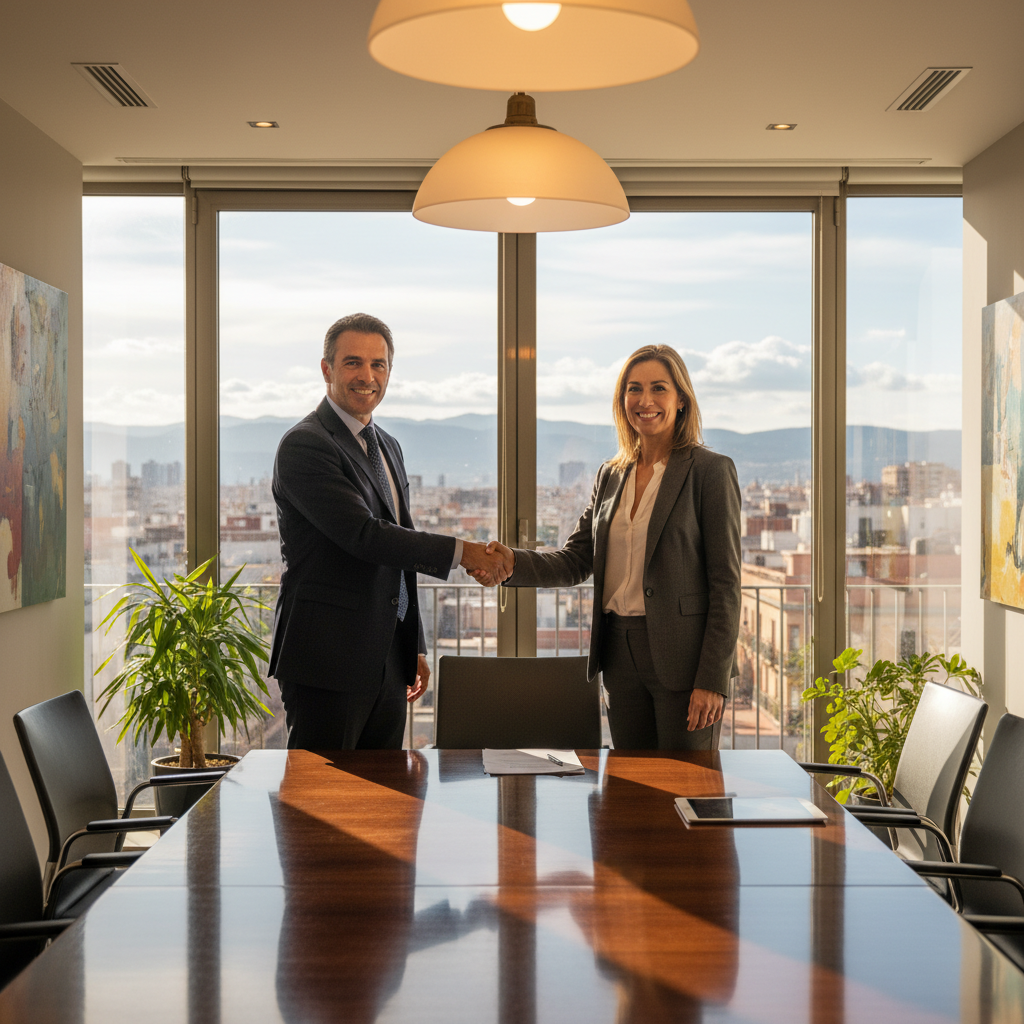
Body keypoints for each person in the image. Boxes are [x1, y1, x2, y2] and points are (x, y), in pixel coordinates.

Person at [478, 344, 741, 750]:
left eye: (659, 388)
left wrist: (713, 679)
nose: (645, 400)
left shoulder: (709, 471)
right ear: (622, 401)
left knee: (687, 789)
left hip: (685, 661)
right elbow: (577, 560)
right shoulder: (611, 474)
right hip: (619, 654)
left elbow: (726, 585)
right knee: (630, 790)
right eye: (634, 389)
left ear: (682, 400)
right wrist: (513, 562)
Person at [269, 312, 508, 750]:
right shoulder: (306, 444)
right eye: (353, 363)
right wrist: (465, 553)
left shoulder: (388, 446)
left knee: (385, 804)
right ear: (326, 369)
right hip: (328, 659)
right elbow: (366, 536)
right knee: (325, 803)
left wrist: (410, 642)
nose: (367, 376)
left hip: (387, 660)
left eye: (378, 365)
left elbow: (400, 546)